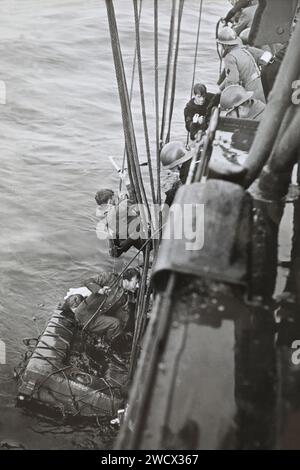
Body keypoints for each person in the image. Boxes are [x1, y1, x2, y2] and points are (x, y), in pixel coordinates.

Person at [74, 267, 141, 349]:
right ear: (127, 281)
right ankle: (107, 347)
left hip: (97, 319)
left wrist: (122, 332)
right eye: (136, 283)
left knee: (116, 324)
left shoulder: (125, 296)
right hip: (84, 315)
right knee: (115, 323)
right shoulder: (110, 278)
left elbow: (122, 316)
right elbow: (88, 281)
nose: (137, 286)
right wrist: (99, 290)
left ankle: (104, 343)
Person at [217, 26, 266, 103]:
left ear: (225, 45)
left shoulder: (229, 57)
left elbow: (232, 82)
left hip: (251, 93)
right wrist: (220, 88)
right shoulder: (244, 50)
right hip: (261, 88)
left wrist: (223, 98)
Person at [95, 186, 145, 258]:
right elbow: (134, 200)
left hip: (118, 246)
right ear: (110, 201)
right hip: (134, 243)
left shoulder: (104, 214)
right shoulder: (116, 211)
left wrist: (122, 201)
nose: (117, 199)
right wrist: (127, 184)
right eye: (115, 198)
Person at [160, 141, 193, 206]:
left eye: (172, 169)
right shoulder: (194, 158)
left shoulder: (185, 173)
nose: (172, 171)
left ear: (179, 164)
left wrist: (168, 191)